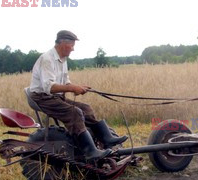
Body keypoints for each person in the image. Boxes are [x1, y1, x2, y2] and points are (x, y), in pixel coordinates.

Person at [29, 30, 127, 161]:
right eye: (72, 45)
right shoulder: (47, 59)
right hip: (43, 98)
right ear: (63, 43)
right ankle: (90, 152)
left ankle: (107, 139)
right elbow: (49, 87)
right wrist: (72, 88)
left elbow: (65, 82)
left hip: (56, 97)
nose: (73, 49)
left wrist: (78, 88)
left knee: (86, 108)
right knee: (74, 113)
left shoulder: (62, 59)